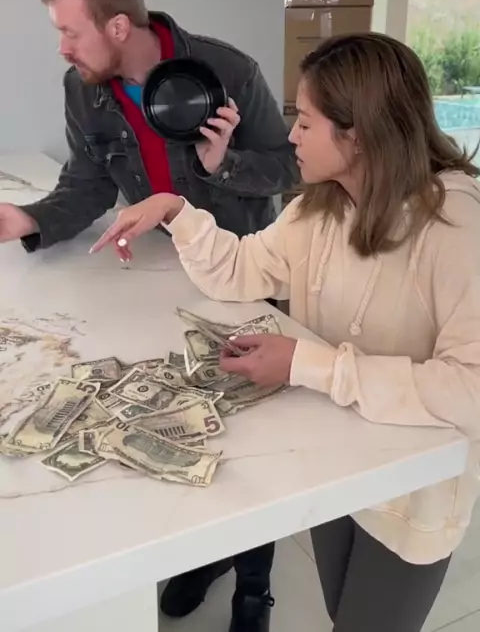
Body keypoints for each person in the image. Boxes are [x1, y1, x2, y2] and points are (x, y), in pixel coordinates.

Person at [91, 32, 480, 632]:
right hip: (332, 459)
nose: (291, 136)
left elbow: (470, 390)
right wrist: (174, 208)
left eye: (306, 121)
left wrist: (305, 364)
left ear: (358, 134)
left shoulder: (456, 225)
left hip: (412, 493)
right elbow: (239, 270)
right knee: (339, 612)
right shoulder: (317, 207)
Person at [0, 0, 299, 632]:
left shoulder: (227, 71)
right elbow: (87, 185)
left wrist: (222, 165)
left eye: (69, 31)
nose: (61, 48)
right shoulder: (84, 89)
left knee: (255, 433)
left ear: (116, 27)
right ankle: (206, 553)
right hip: (164, 276)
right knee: (191, 421)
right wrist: (28, 219)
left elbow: (287, 168)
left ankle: (255, 583)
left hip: (241, 273)